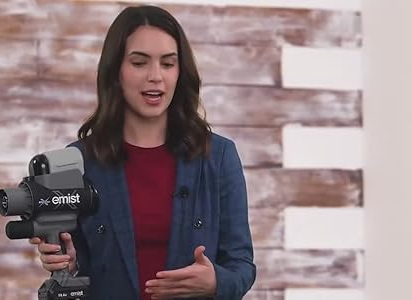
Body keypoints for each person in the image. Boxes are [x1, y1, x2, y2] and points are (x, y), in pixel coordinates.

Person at [28, 5, 256, 299]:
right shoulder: (78, 162)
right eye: (139, 62)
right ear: (116, 72)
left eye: (168, 63)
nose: (155, 76)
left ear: (180, 71)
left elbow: (242, 267)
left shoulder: (219, 157)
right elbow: (78, 267)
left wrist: (215, 282)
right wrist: (67, 267)